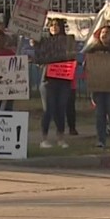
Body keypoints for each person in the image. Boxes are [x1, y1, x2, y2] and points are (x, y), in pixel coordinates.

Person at [39, 18, 73, 148]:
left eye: (56, 25)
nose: (54, 27)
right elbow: (39, 58)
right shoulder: (44, 42)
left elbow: (72, 57)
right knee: (48, 109)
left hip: (63, 79)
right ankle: (44, 138)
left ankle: (60, 138)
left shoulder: (68, 42)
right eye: (51, 25)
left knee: (61, 108)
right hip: (48, 80)